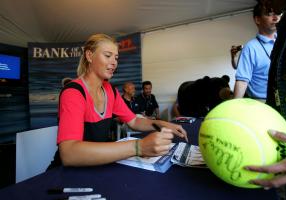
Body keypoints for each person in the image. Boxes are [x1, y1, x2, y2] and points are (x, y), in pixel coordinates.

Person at [50, 33, 188, 168]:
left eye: (116, 58)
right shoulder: (73, 92)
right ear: (89, 56)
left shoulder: (110, 90)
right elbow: (69, 153)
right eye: (108, 55)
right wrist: (138, 146)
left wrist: (162, 124)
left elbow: (134, 121)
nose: (114, 62)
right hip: (63, 174)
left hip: (95, 168)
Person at [244, 0, 286, 197]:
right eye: (267, 11)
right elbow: (243, 79)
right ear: (257, 20)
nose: (273, 12)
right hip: (269, 114)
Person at [233, 3, 282, 101]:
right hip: (261, 103)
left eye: (278, 13)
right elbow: (242, 81)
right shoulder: (250, 48)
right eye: (269, 14)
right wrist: (233, 108)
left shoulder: (284, 42)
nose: (276, 18)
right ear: (257, 20)